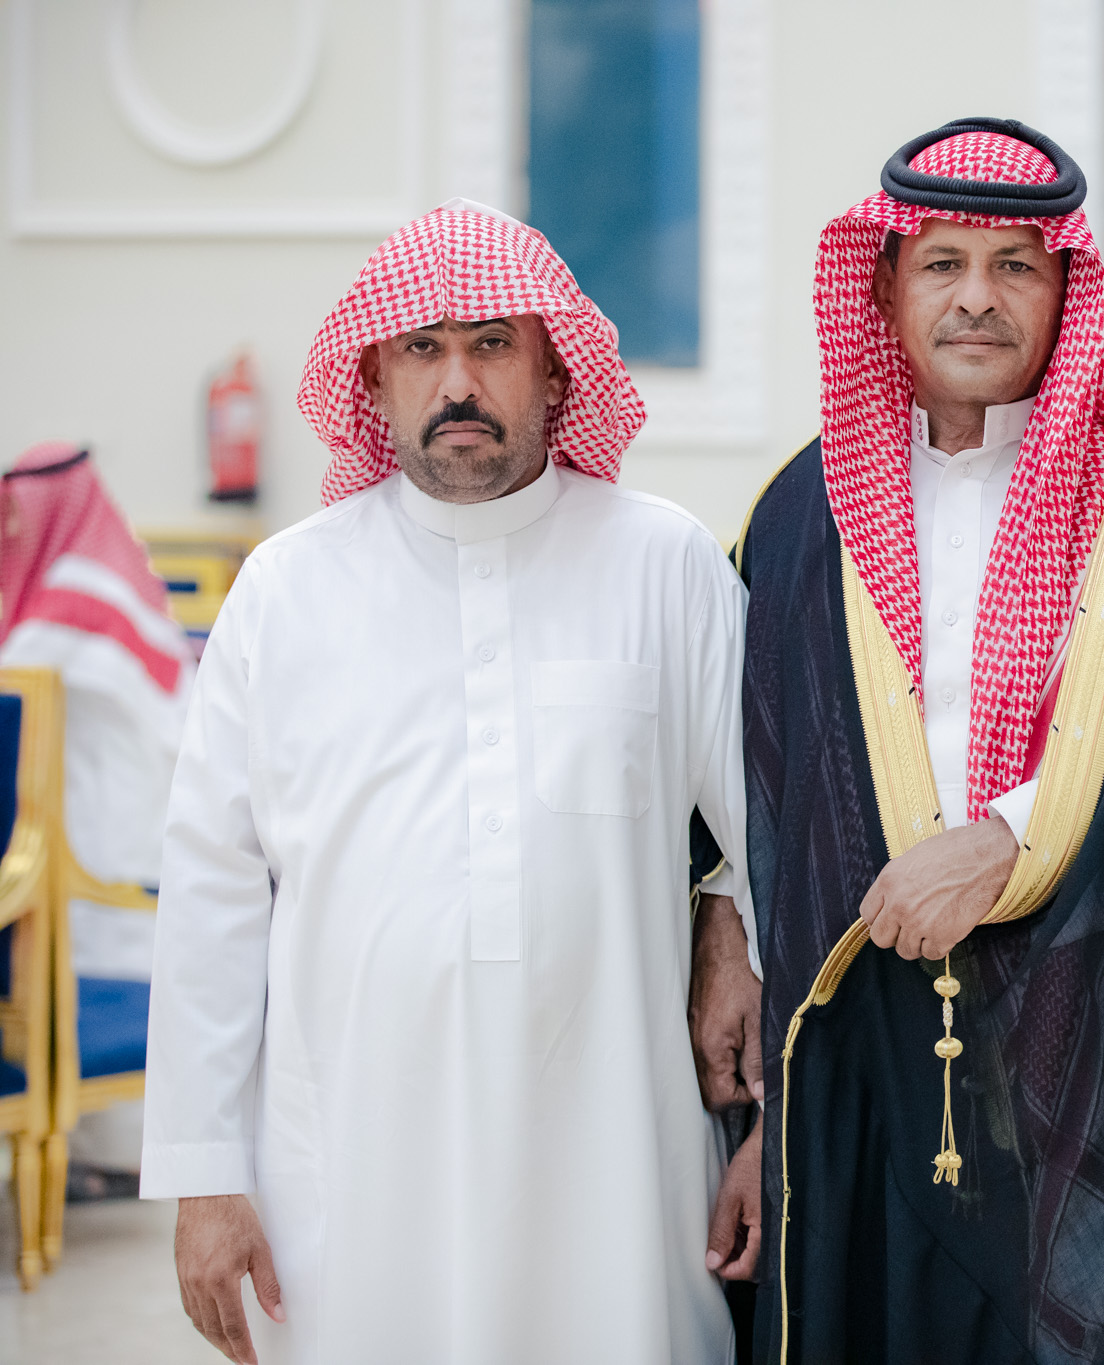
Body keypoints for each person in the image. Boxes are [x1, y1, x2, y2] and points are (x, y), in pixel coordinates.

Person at [705, 118, 1104, 1362]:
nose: (976, 299)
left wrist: (1010, 839)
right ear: (884, 284)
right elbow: (759, 791)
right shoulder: (799, 513)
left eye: (1014, 267)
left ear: (1065, 290)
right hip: (868, 1054)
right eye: (942, 263)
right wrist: (730, 944)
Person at [139, 199, 756, 1365]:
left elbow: (776, 837)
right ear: (373, 380)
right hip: (349, 1182)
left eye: (491, 345)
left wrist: (770, 1120)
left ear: (555, 373)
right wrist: (204, 1176)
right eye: (422, 348)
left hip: (612, 1176)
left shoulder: (662, 563)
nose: (456, 381)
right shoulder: (285, 592)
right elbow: (212, 895)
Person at [0, 441, 195, 1182]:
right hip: (101, 830)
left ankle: (92, 1164)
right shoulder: (107, 576)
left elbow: (17, 674)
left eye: (18, 512)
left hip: (110, 845)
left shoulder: (76, 600)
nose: (9, 526)